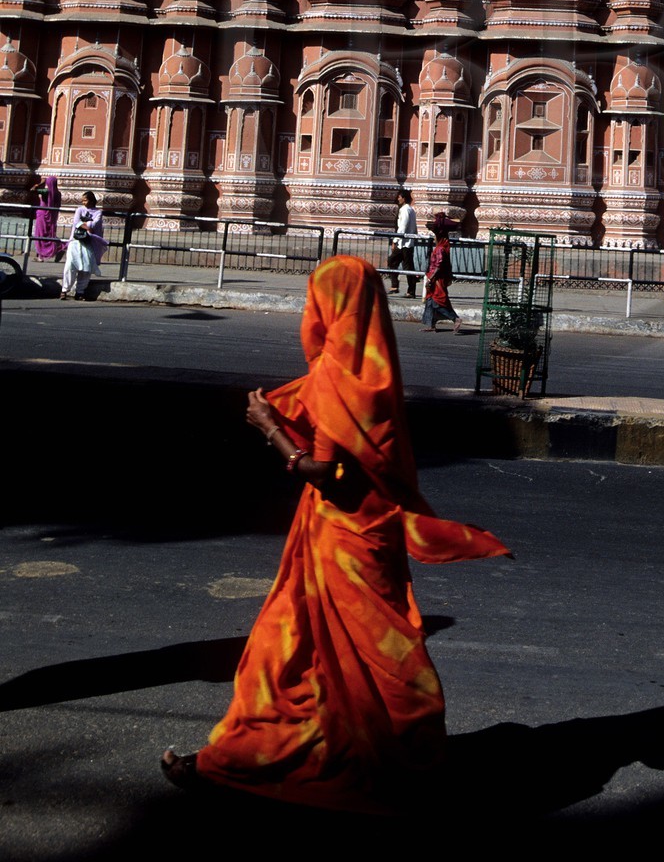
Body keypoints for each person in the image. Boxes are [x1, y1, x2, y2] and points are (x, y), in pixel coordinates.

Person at [161, 255, 509, 809]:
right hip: (370, 540)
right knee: (346, 656)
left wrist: (272, 430)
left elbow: (325, 473)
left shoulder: (334, 379)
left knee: (289, 654)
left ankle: (248, 760)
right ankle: (360, 754)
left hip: (340, 537)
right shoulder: (375, 375)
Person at [59, 191, 107, 300]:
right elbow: (76, 222)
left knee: (86, 268)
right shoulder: (79, 210)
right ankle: (64, 290)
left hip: (89, 243)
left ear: (91, 200)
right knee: (70, 266)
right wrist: (86, 226)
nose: (84, 202)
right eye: (83, 200)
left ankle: (80, 292)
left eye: (85, 200)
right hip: (76, 241)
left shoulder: (98, 212)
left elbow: (95, 224)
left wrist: (84, 224)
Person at [422, 212, 462, 333]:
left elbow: (438, 266)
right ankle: (431, 324)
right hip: (435, 278)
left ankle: (455, 319)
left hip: (437, 279)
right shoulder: (441, 247)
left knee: (437, 301)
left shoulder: (440, 249)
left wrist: (431, 278)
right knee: (430, 301)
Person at [387, 188, 419, 298]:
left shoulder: (405, 210)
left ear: (404, 198)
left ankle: (407, 289)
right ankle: (400, 287)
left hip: (403, 243)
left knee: (398, 263)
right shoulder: (411, 210)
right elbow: (414, 227)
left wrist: (395, 240)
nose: (398, 199)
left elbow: (403, 227)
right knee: (401, 264)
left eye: (399, 197)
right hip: (407, 243)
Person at [31, 174, 65, 261]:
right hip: (52, 216)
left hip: (42, 215)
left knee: (40, 235)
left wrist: (38, 184)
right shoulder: (58, 193)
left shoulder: (45, 191)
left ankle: (41, 256)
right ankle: (60, 247)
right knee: (49, 234)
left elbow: (32, 190)